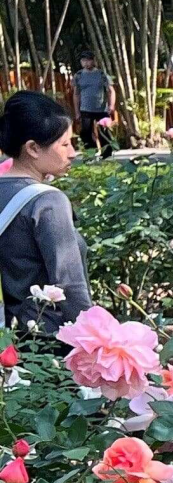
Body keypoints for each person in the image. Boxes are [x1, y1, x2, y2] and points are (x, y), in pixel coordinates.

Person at [0, 89, 94, 335]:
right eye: (64, 144)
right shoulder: (48, 202)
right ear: (32, 148)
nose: (72, 152)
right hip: (46, 343)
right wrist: (96, 341)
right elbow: (70, 284)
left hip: (6, 342)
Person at [72, 54, 115, 154]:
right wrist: (77, 111)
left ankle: (107, 154)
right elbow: (76, 94)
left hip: (101, 108)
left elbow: (111, 91)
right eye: (84, 61)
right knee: (85, 132)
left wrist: (111, 105)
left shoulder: (102, 74)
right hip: (85, 109)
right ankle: (90, 153)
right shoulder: (78, 75)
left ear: (93, 61)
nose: (86, 63)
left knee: (103, 132)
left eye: (89, 60)